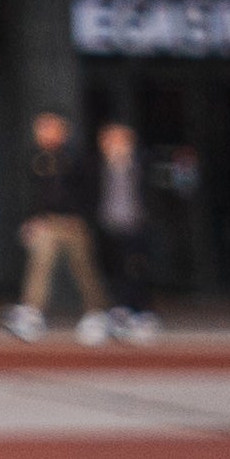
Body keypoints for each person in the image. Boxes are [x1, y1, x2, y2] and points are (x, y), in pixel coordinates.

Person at [6, 106, 108, 343]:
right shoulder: (35, 158)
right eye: (40, 128)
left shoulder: (77, 157)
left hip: (74, 222)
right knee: (40, 263)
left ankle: (98, 312)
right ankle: (32, 313)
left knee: (84, 269)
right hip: (47, 223)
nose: (43, 132)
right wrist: (31, 220)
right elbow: (33, 194)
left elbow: (90, 192)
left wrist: (83, 218)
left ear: (63, 130)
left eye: (49, 127)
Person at [93, 117, 160, 342]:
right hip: (109, 225)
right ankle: (120, 311)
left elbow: (150, 193)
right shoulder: (99, 166)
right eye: (110, 140)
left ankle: (140, 312)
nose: (114, 144)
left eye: (119, 139)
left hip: (135, 224)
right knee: (114, 270)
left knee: (136, 269)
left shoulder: (139, 164)